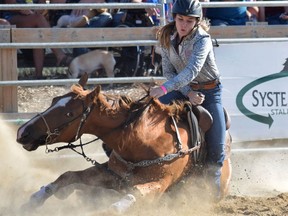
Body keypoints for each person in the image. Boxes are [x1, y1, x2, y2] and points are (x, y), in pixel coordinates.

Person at [149, 0, 226, 200]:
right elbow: (168, 71)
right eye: (180, 19)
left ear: (196, 22)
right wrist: (188, 93)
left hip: (210, 92)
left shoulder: (203, 40)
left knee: (217, 149)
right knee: (149, 113)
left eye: (189, 21)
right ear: (174, 18)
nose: (184, 24)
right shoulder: (166, 36)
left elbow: (192, 70)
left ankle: (213, 195)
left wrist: (165, 88)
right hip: (183, 90)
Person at [3, 0, 73, 79]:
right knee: (39, 19)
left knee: (38, 31)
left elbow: (42, 2)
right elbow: (9, 4)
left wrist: (40, 7)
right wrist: (23, 9)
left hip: (33, 17)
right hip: (11, 17)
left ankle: (38, 75)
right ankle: (60, 55)